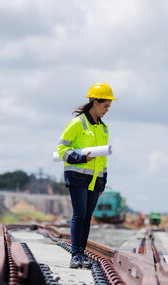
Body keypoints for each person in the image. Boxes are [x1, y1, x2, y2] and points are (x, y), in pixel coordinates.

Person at [57, 83, 116, 269]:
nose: (107, 110)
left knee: (88, 216)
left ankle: (81, 254)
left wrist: (103, 183)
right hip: (77, 177)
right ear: (95, 102)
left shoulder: (104, 128)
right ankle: (76, 255)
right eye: (105, 106)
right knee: (79, 215)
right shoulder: (78, 123)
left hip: (95, 180)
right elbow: (61, 149)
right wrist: (79, 157)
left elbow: (103, 160)